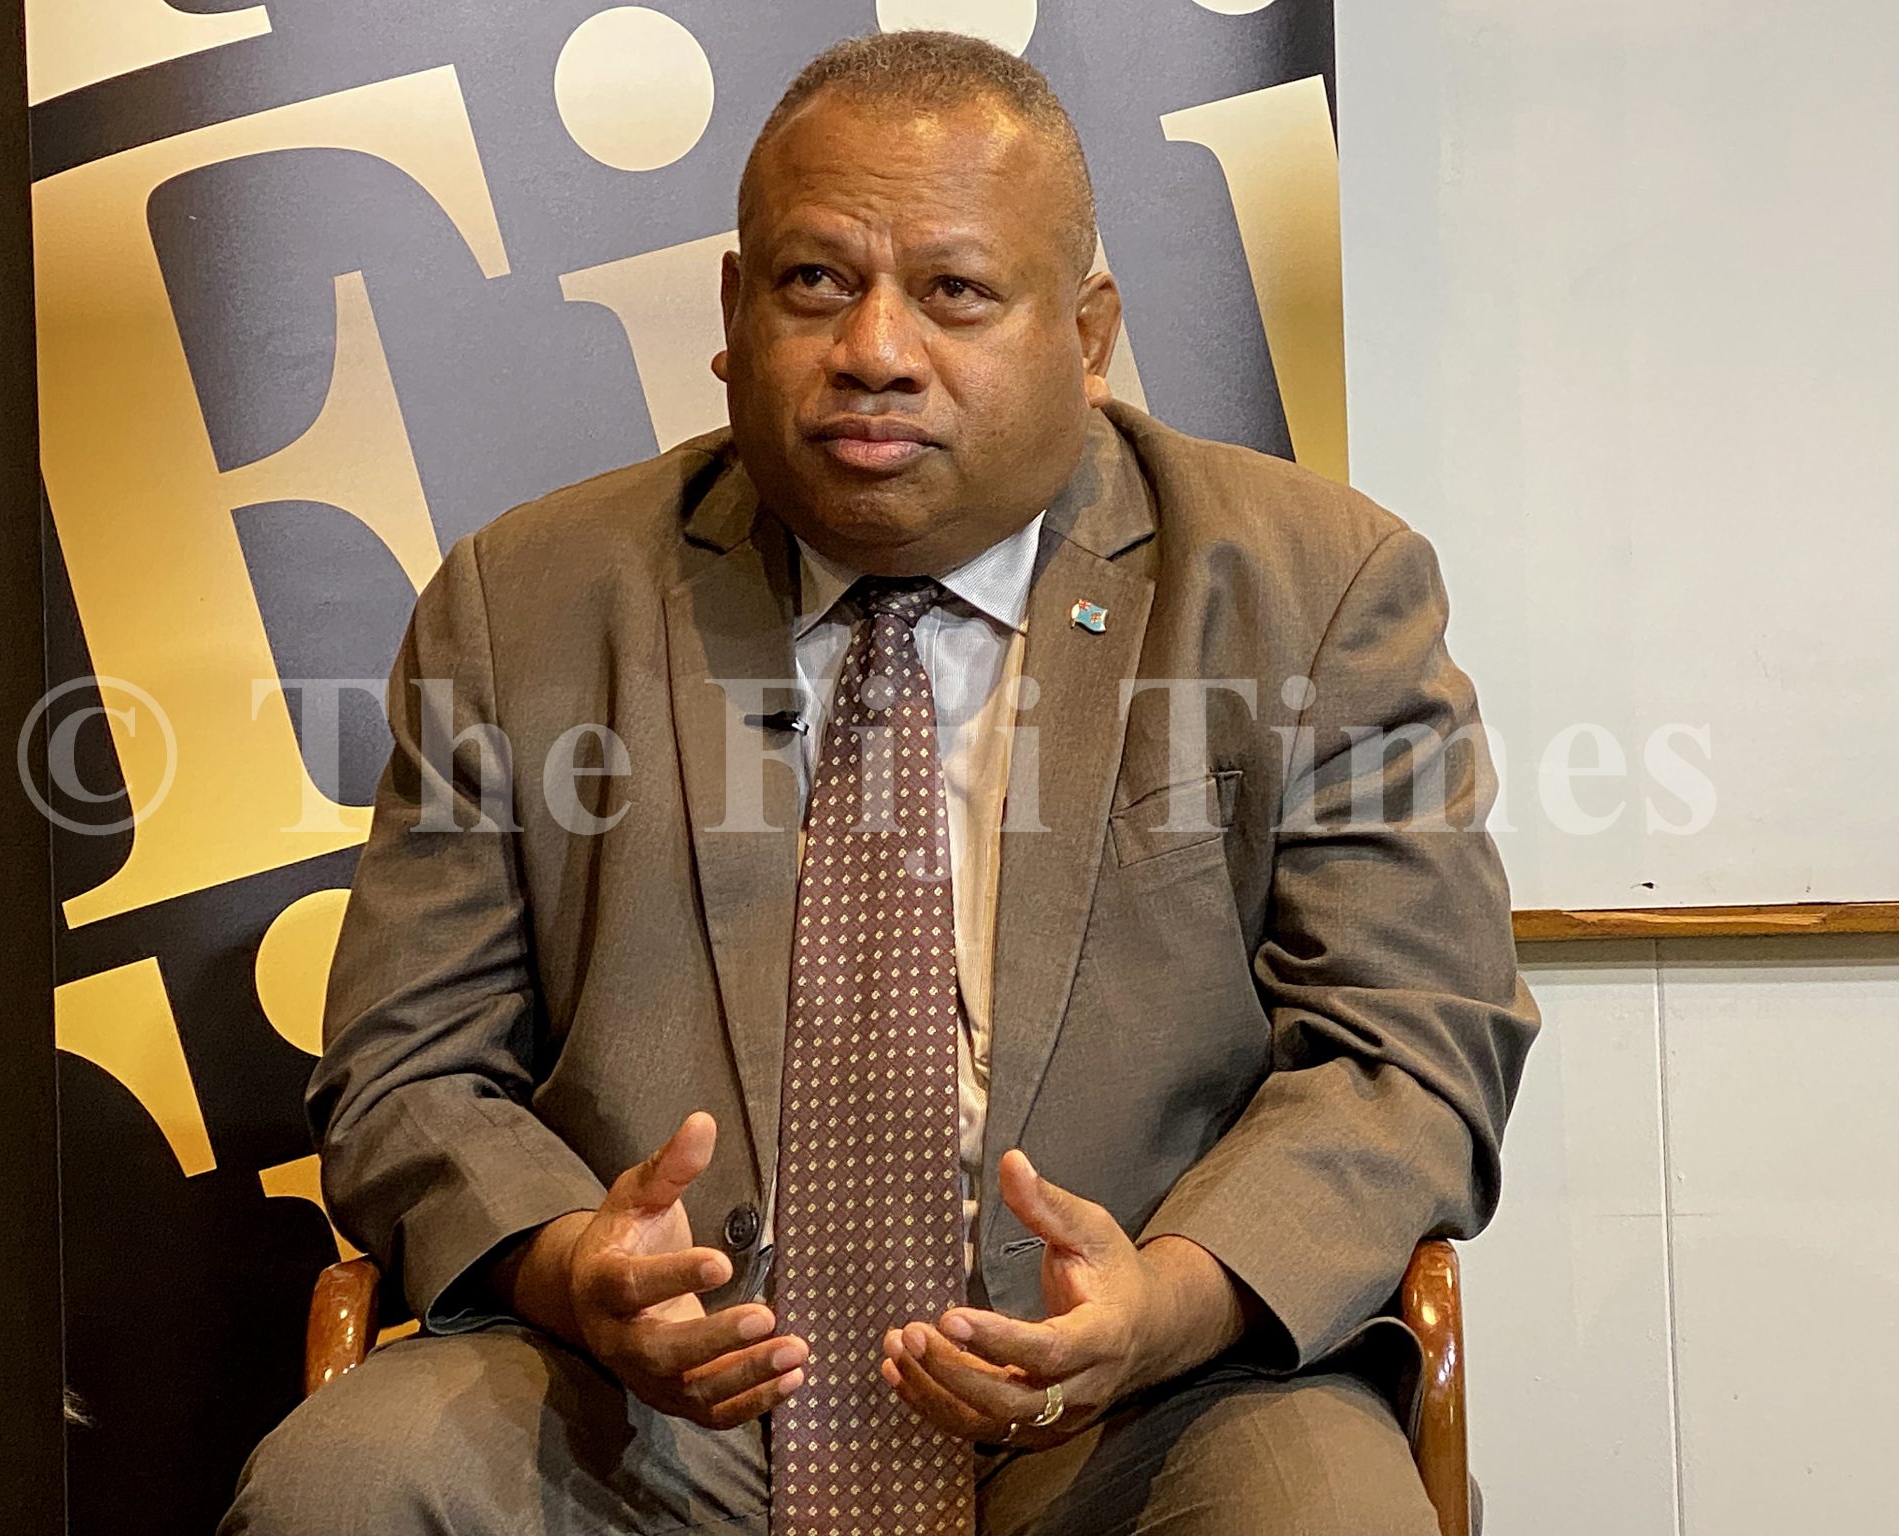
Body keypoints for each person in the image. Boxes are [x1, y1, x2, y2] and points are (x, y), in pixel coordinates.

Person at [224, 29, 1538, 1536]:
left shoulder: (1315, 590)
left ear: (1088, 333)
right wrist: (574, 1266)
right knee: (344, 1491)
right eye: (815, 282)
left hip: (1151, 1401)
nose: (876, 349)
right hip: (645, 1409)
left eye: (956, 291)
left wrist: (1169, 1302)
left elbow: (1408, 1048)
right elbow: (408, 1067)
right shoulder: (521, 602)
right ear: (734, 314)